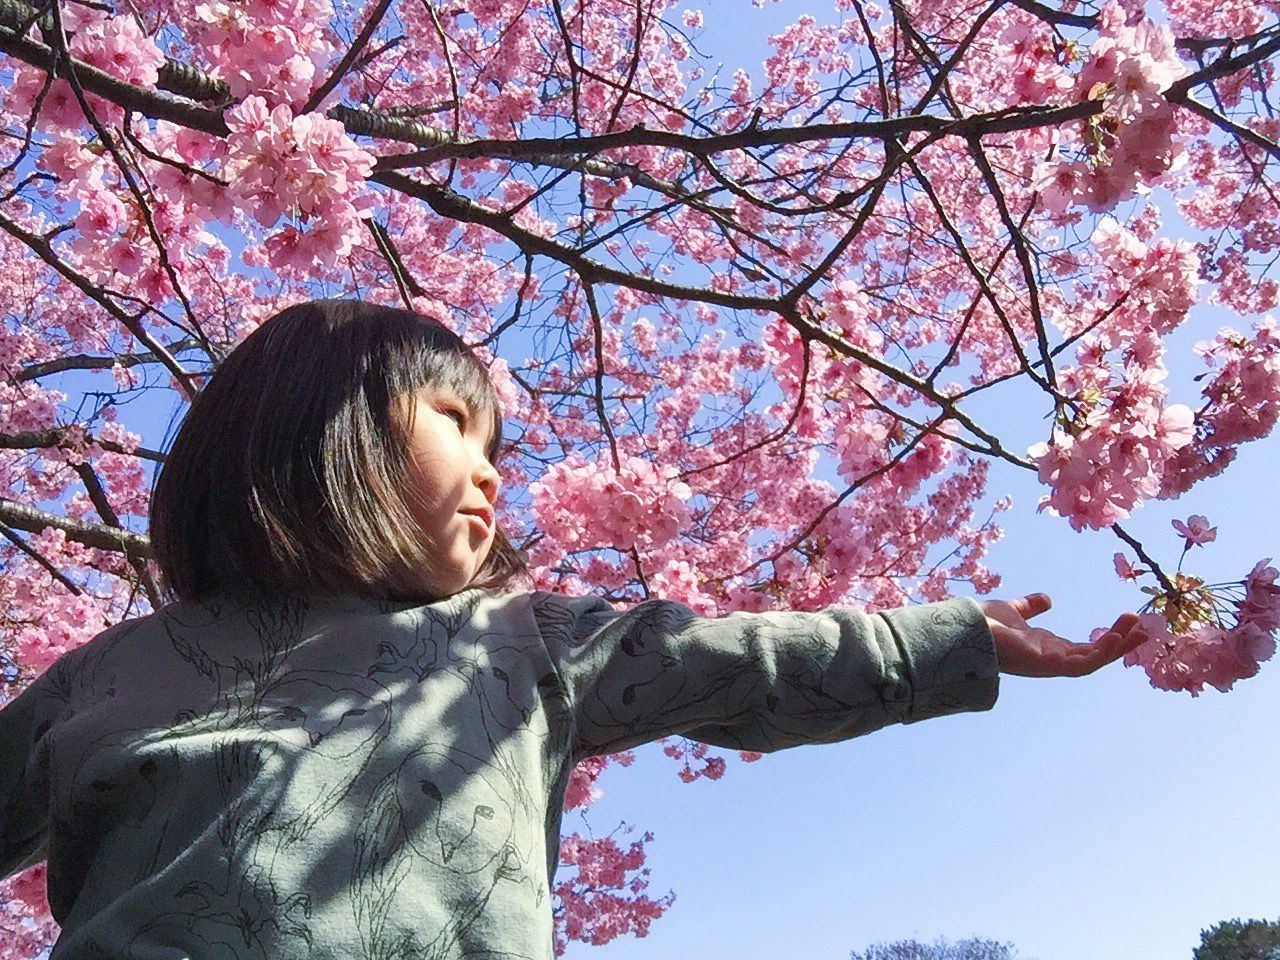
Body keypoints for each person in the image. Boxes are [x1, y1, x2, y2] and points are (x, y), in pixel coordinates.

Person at [0, 299, 1147, 960]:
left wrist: (944, 641)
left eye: (499, 447)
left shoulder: (522, 640)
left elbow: (739, 666)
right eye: (459, 423)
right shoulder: (105, 674)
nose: (496, 476)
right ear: (320, 432)